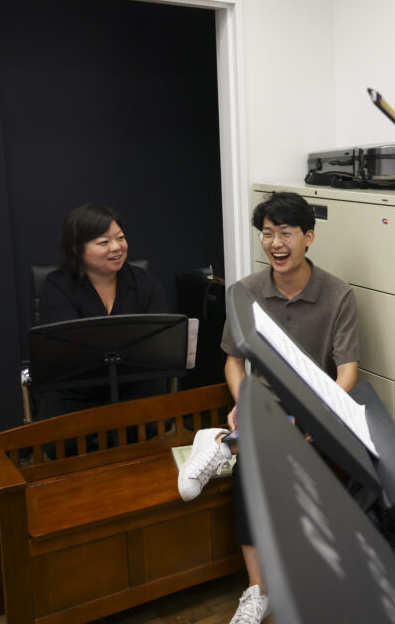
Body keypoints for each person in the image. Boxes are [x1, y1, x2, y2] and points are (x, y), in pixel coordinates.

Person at [176, 191, 359, 624]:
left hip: (315, 414)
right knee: (253, 468)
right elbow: (233, 362)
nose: (275, 243)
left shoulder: (337, 295)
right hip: (264, 407)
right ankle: (259, 592)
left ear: (309, 237)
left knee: (269, 461)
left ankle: (223, 444)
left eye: (286, 233)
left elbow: (348, 373)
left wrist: (317, 415)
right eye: (268, 233)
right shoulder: (245, 292)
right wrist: (245, 399)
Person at [37, 203, 167, 418]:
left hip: (134, 389)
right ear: (76, 249)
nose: (116, 247)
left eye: (121, 238)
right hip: (76, 394)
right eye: (104, 242)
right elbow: (63, 356)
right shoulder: (58, 286)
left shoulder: (145, 283)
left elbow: (159, 348)